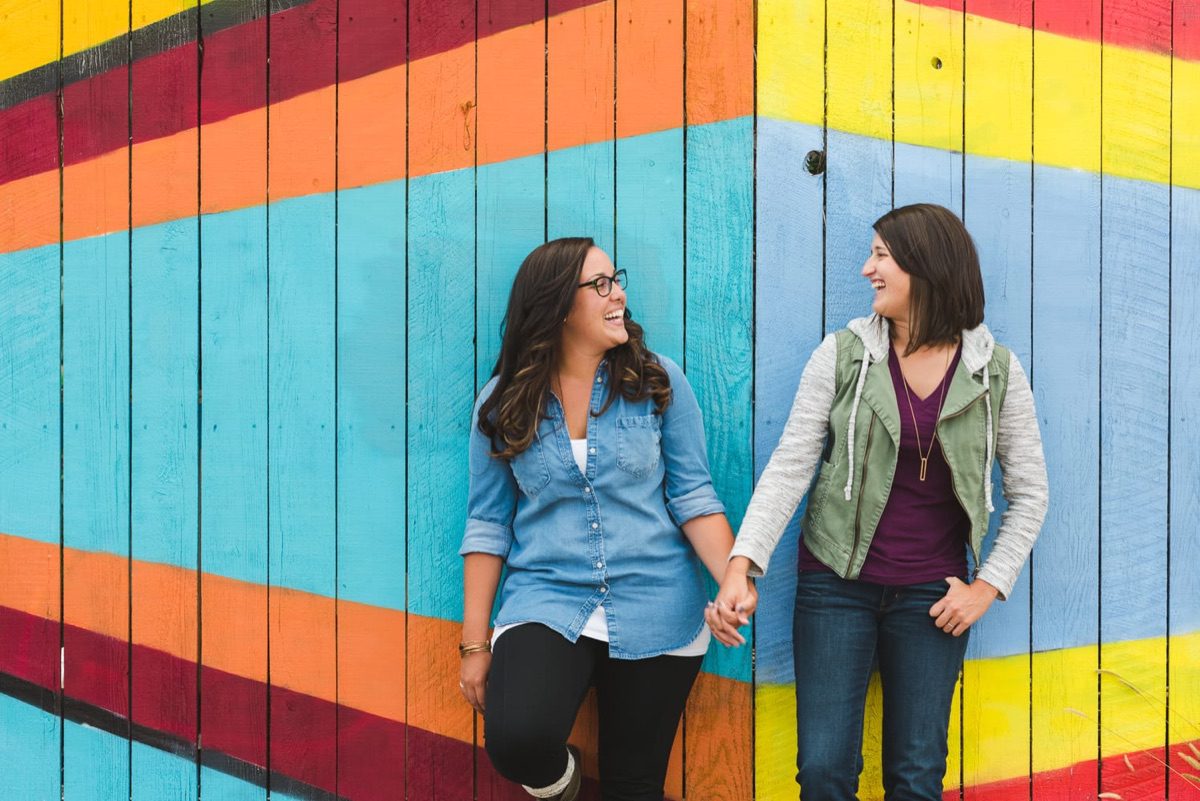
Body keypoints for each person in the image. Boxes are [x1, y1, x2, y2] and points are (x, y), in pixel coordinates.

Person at [707, 204, 1049, 800]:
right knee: (824, 771)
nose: (868, 269)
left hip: (934, 598)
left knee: (916, 777)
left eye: (881, 256)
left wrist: (986, 588)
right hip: (835, 586)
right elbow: (789, 468)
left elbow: (1030, 492)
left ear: (926, 265)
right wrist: (741, 566)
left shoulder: (995, 372)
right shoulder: (842, 355)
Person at [459, 237, 751, 801]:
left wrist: (732, 580)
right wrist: (475, 644)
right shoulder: (505, 401)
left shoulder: (657, 381)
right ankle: (561, 782)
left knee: (633, 786)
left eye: (616, 280)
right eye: (599, 285)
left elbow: (694, 496)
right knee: (516, 740)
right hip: (548, 595)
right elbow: (488, 524)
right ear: (558, 306)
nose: (618, 294)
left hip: (656, 599)